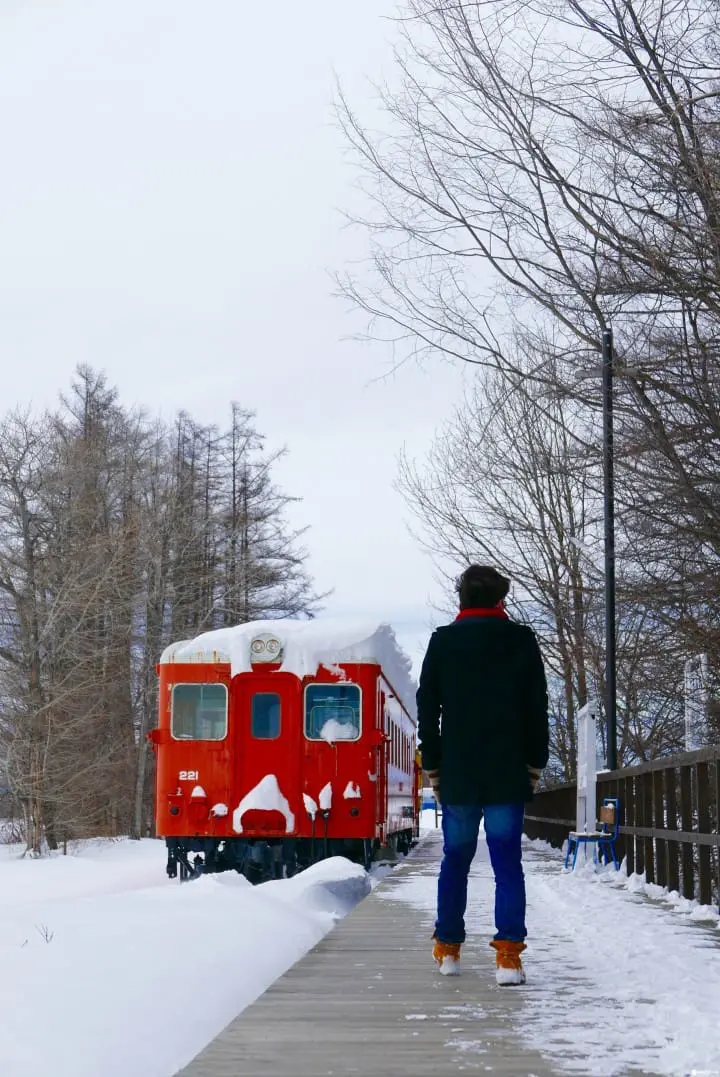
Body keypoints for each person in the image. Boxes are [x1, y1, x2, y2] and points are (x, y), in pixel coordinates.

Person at [417, 564, 549, 985]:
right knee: (507, 862)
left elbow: (428, 709)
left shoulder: (444, 642)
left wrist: (433, 761)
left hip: (459, 769)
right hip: (508, 769)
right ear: (500, 600)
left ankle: (449, 951)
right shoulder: (521, 640)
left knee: (455, 859)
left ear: (462, 599)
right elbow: (536, 707)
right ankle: (508, 958)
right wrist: (535, 761)